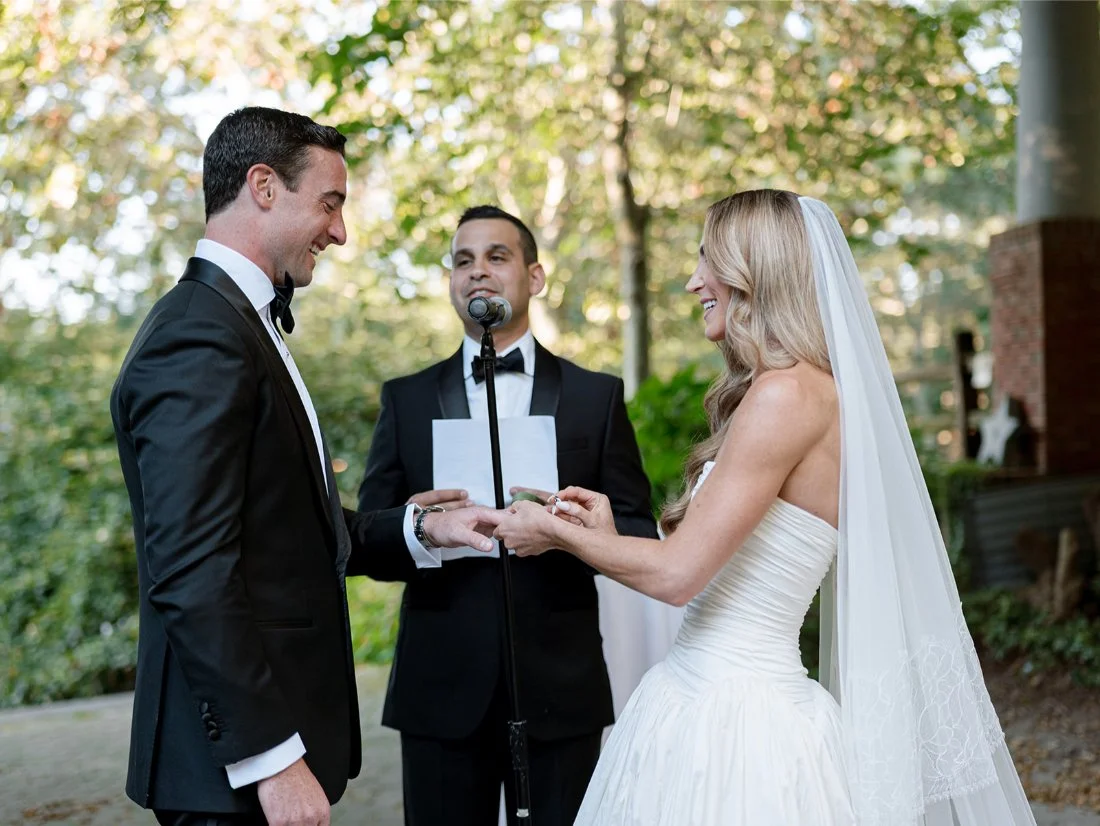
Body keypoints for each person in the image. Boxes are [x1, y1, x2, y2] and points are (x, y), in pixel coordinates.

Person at [495, 190, 1037, 825]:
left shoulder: (786, 396)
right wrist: (606, 533)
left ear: (755, 273)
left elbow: (677, 577)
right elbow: (704, 561)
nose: (695, 280)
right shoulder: (802, 391)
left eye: (709, 261)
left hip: (735, 727)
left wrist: (554, 536)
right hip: (708, 693)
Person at [110, 107, 501, 826]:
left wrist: (423, 531)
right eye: (330, 203)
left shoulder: (234, 322)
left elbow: (282, 530)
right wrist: (271, 760)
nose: (340, 231)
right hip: (226, 774)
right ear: (263, 187)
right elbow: (191, 568)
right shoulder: (199, 337)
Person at [356, 205, 658, 826]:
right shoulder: (406, 398)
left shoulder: (594, 397)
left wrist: (568, 532)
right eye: (462, 261)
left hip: (561, 687)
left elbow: (637, 529)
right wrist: (416, 529)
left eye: (497, 257)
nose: (477, 273)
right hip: (439, 689)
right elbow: (363, 541)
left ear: (535, 277)